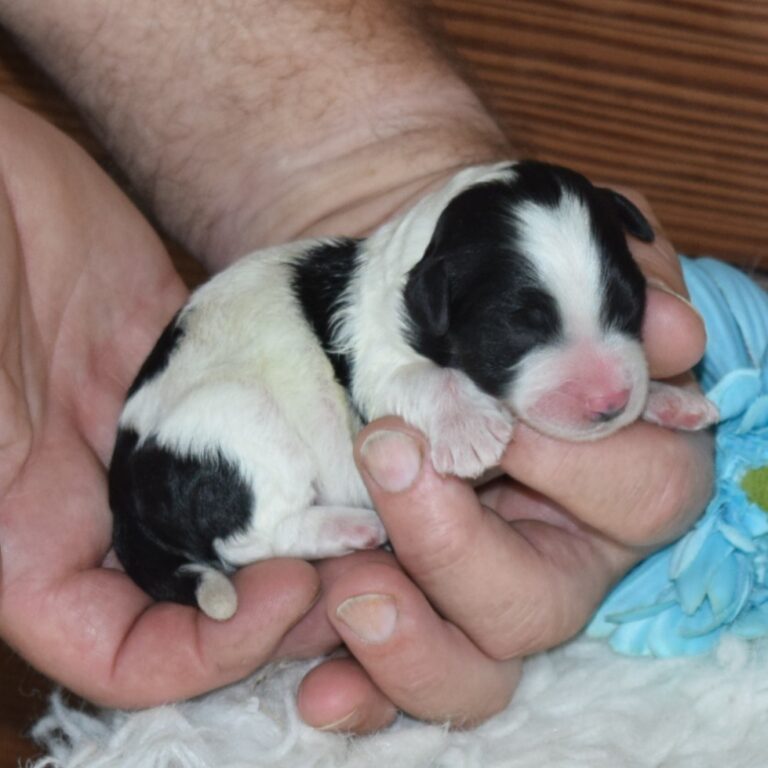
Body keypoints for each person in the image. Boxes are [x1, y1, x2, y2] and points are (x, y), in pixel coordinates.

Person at [0, 0, 714, 733]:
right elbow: (392, 395)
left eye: (622, 312)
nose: (609, 385)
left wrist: (644, 402)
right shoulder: (388, 325)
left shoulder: (441, 285)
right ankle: (265, 535)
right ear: (436, 299)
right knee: (249, 426)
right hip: (195, 451)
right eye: (531, 330)